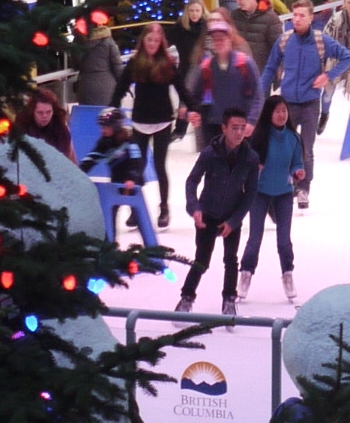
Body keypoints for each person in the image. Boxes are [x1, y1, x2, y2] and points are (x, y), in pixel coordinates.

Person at [176, 110, 260, 316]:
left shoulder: (250, 158)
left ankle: (229, 299)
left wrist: (234, 221)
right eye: (234, 128)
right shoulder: (209, 154)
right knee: (201, 259)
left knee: (231, 259)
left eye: (242, 128)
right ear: (224, 128)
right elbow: (191, 181)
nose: (239, 132)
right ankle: (186, 297)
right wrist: (194, 208)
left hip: (231, 216)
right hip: (208, 215)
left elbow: (250, 193)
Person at [266, 0, 350, 193]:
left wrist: (328, 76)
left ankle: (304, 187)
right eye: (294, 15)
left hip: (310, 104)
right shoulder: (285, 40)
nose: (297, 19)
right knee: (282, 148)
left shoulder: (321, 41)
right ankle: (285, 184)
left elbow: (347, 57)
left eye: (301, 15)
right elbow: (270, 68)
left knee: (306, 150)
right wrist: (261, 95)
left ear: (311, 18)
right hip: (287, 104)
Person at [240, 94, 309, 305]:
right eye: (277, 111)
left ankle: (287, 273)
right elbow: (247, 163)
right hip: (259, 193)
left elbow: (298, 162)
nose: (281, 115)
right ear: (269, 114)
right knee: (255, 237)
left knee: (283, 239)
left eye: (284, 111)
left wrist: (298, 171)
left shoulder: (293, 138)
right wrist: (255, 170)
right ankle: (245, 273)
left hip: (284, 193)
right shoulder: (259, 137)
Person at [118, 21, 183, 226]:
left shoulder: (168, 63)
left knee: (159, 165)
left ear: (161, 42)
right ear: (143, 40)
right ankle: (135, 210)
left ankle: (164, 209)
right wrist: (111, 107)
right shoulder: (135, 62)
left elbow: (182, 88)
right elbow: (121, 87)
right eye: (150, 39)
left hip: (162, 121)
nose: (153, 43)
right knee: (137, 166)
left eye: (157, 40)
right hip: (140, 121)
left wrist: (192, 106)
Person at [83, 111, 159, 254]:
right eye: (102, 127)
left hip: (133, 182)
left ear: (115, 126)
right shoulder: (104, 142)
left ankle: (152, 249)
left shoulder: (130, 142)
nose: (102, 130)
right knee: (110, 212)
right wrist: (80, 171)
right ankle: (109, 246)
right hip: (116, 183)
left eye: (105, 127)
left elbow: (136, 162)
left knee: (138, 215)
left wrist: (131, 178)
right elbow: (93, 157)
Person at [188, 18, 262, 151]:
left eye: (222, 38)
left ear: (230, 39)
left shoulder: (244, 63)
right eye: (215, 39)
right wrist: (192, 112)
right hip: (215, 126)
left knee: (241, 167)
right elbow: (194, 96)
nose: (218, 42)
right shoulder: (206, 67)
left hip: (241, 126)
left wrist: (252, 120)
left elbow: (257, 95)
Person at [70, 11, 123, 106]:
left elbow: (75, 65)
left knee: (90, 116)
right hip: (108, 87)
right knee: (108, 117)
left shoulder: (78, 42)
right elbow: (117, 67)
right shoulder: (107, 41)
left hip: (86, 87)